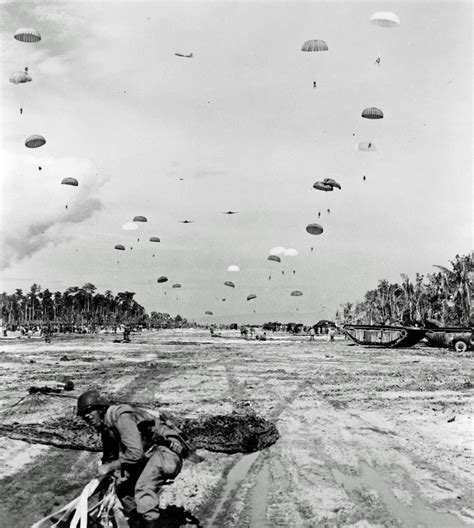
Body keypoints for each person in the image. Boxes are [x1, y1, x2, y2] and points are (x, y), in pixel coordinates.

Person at [77, 390, 188, 528]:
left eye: (90, 411)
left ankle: (151, 522)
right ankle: (141, 521)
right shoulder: (107, 427)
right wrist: (105, 478)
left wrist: (110, 467)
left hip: (166, 452)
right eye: (83, 415)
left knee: (143, 489)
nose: (87, 416)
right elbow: (110, 457)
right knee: (122, 488)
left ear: (101, 409)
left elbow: (135, 454)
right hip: (150, 453)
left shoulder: (121, 417)